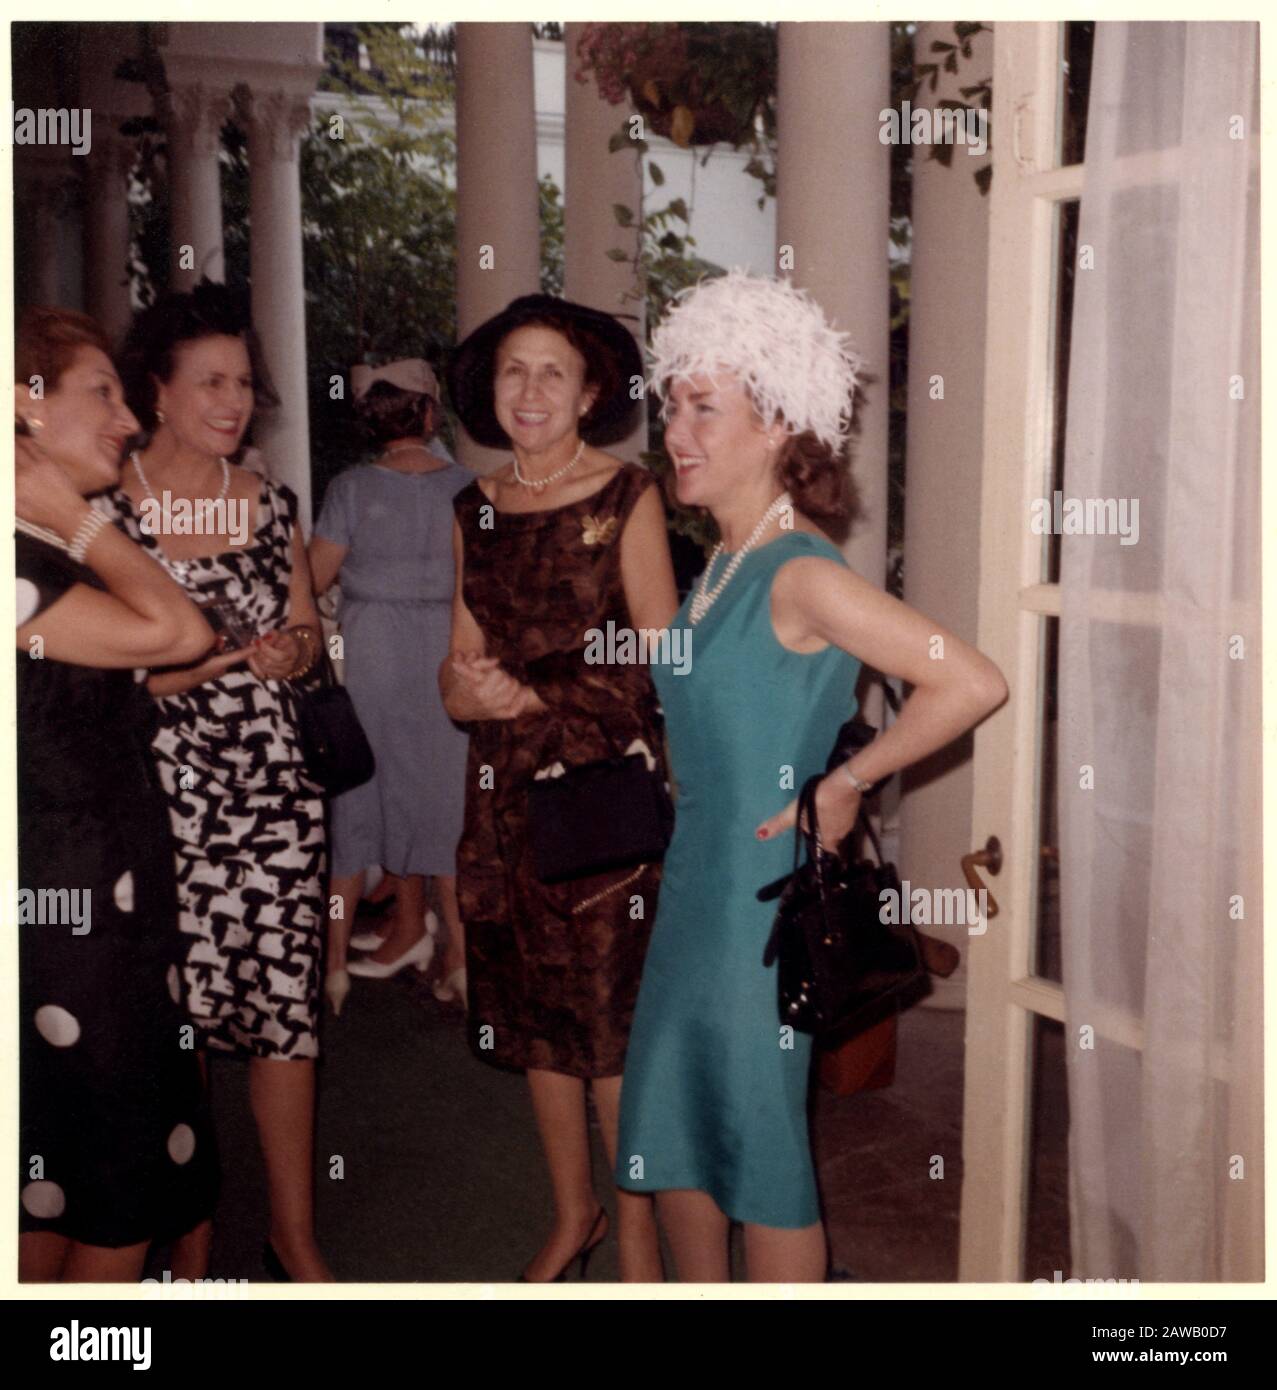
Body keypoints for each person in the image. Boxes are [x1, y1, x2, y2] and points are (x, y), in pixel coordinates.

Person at [615, 271, 1009, 1282]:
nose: (677, 430)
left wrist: (848, 782)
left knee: (761, 1150)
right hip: (693, 888)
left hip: (760, 908)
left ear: (777, 422)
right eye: (672, 404)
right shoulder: (718, 567)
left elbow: (966, 679)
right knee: (680, 1135)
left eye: (705, 406)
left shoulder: (801, 571)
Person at [441, 295, 678, 1282]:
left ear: (589, 393)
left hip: (593, 797)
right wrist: (472, 690)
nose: (528, 390)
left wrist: (535, 695)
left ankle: (632, 1232)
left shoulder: (626, 497)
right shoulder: (473, 508)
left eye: (551, 372)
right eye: (511, 371)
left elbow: (663, 658)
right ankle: (570, 1211)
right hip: (500, 796)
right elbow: (454, 672)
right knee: (535, 1016)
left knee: (609, 1027)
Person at [103, 282, 332, 1281]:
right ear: (157, 391)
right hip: (161, 797)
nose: (233, 400)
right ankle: (191, 1231)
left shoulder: (268, 499)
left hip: (275, 794)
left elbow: (309, 631)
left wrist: (294, 656)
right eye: (210, 382)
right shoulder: (106, 511)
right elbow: (106, 679)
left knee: (285, 1013)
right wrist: (217, 660)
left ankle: (293, 1234)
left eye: (243, 381)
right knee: (179, 1015)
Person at [14, 307, 219, 1281]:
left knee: (62, 1179)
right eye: (102, 392)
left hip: (99, 908)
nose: (130, 420)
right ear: (24, 406)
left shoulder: (35, 559)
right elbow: (177, 631)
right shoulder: (22, 561)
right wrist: (82, 518)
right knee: (113, 1184)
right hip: (66, 920)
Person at [308, 359, 471, 1012]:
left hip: (374, 656)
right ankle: (459, 956)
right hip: (445, 657)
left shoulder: (350, 489)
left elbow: (310, 581)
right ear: (429, 415)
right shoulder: (469, 488)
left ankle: (334, 966)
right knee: (444, 805)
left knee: (361, 793)